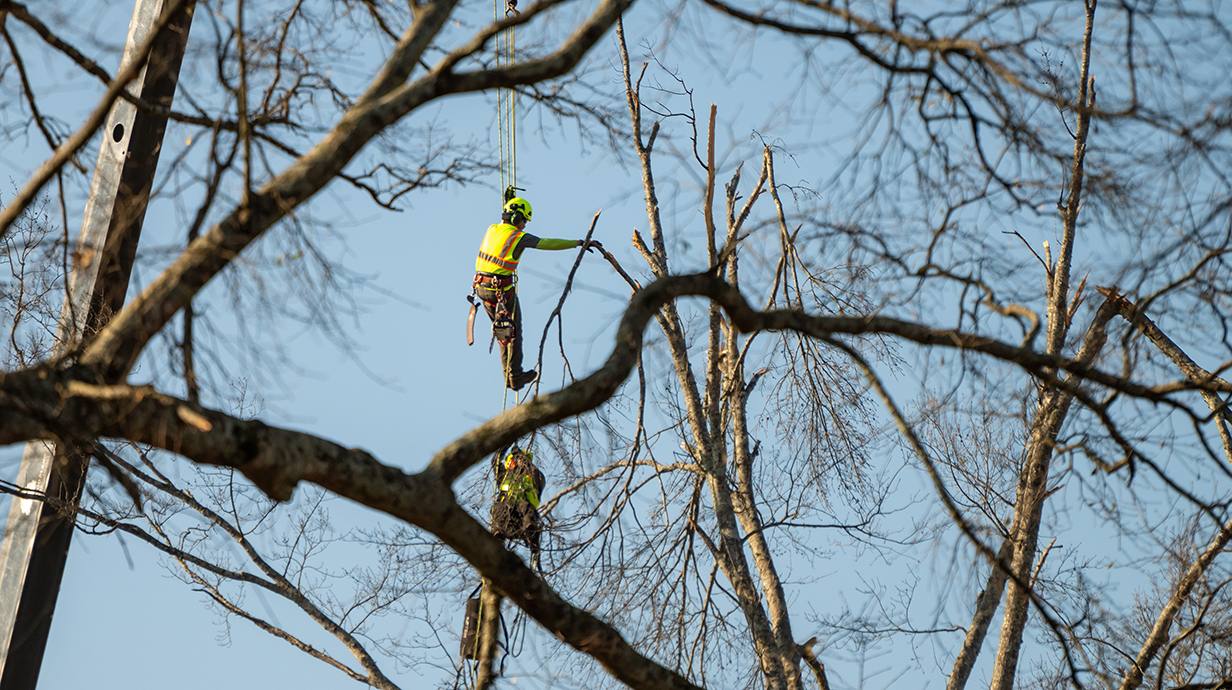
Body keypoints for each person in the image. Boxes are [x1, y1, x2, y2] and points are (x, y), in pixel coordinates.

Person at [472, 196, 601, 389]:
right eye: (523, 220)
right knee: (512, 331)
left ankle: (509, 375)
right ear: (516, 218)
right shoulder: (518, 236)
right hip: (501, 291)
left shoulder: (492, 229)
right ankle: (514, 377)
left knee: (503, 331)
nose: (524, 225)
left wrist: (510, 198)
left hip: (482, 289)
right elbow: (546, 243)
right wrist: (578, 242)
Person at [490, 447, 547, 569]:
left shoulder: (533, 475)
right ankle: (497, 535)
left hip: (522, 518)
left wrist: (526, 466)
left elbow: (540, 482)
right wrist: (506, 444)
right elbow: (495, 461)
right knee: (498, 507)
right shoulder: (505, 476)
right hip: (506, 516)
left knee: (527, 507)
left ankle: (530, 532)